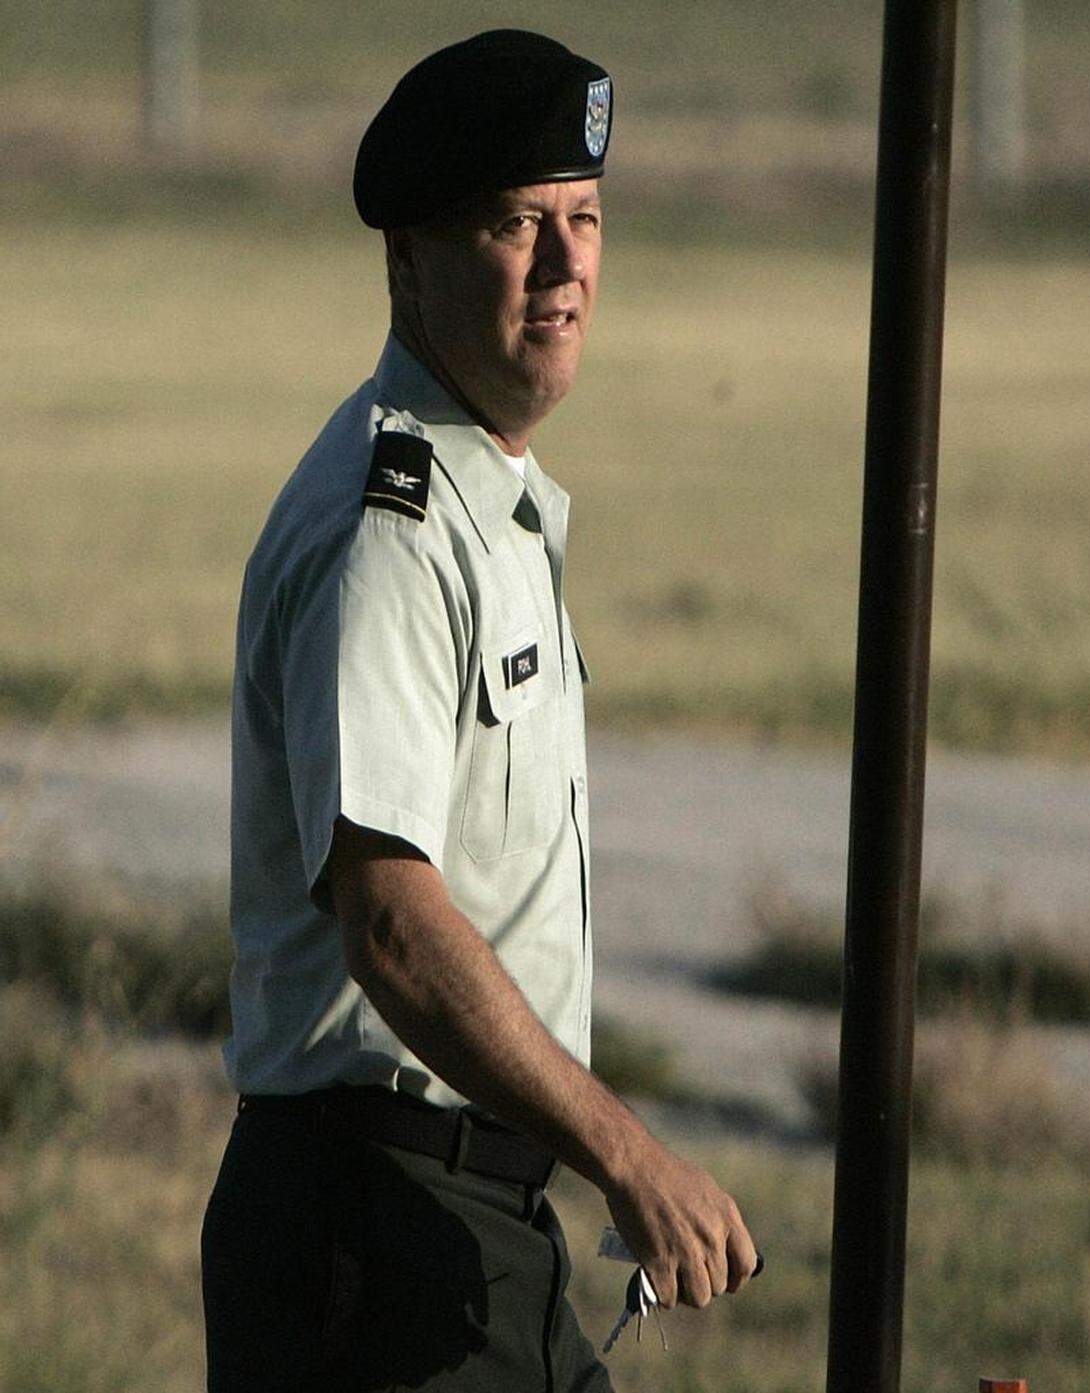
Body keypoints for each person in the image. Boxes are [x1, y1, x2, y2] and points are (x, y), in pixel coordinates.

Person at [201, 29, 758, 1393]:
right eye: (518, 224)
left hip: (468, 1211)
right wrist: (625, 1151)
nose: (568, 265)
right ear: (408, 258)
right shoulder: (387, 530)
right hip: (376, 1221)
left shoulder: (486, 505)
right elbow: (389, 914)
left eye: (586, 218)